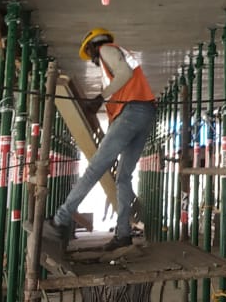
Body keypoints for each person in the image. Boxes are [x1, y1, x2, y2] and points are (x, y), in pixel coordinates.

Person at [44, 27, 156, 251]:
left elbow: (125, 74)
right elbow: (124, 85)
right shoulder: (118, 56)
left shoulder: (107, 49)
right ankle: (123, 234)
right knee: (123, 178)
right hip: (144, 113)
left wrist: (99, 98)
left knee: (95, 169)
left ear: (93, 45)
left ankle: (60, 220)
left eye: (90, 54)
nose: (94, 60)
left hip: (132, 112)